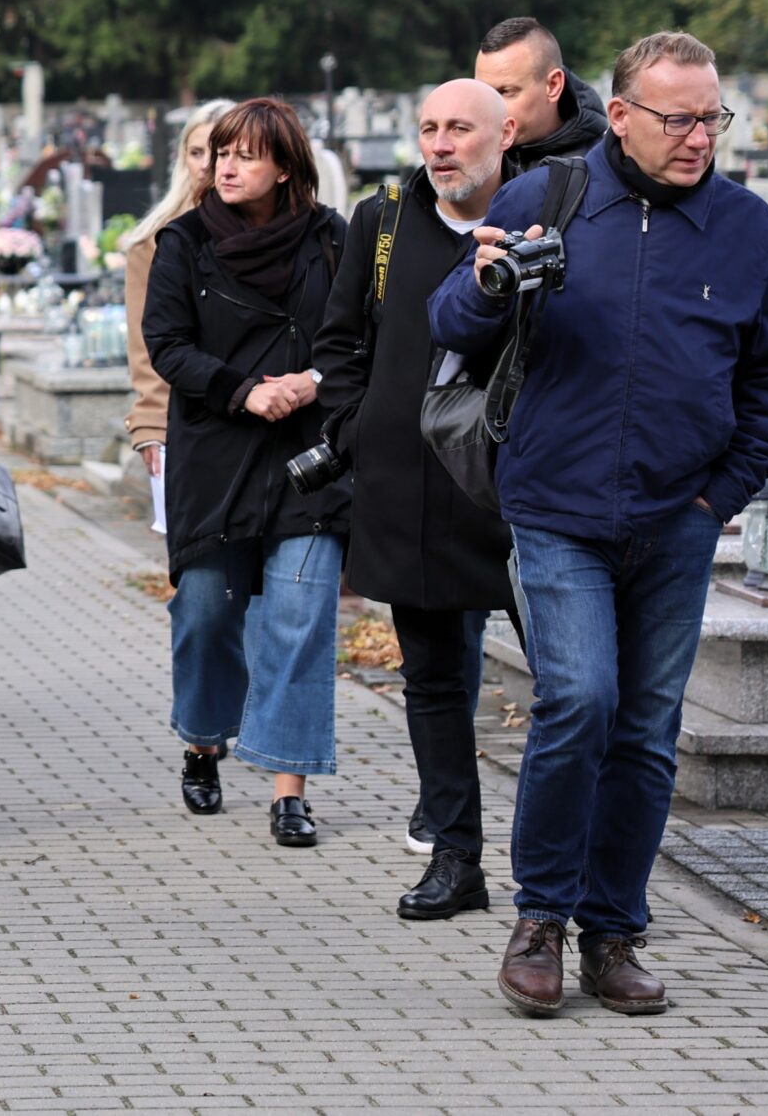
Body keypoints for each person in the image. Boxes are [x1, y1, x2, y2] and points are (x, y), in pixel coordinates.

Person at [432, 31, 768, 1017]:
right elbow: (451, 325)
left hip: (677, 517)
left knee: (645, 729)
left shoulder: (747, 227)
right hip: (556, 506)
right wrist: (480, 281)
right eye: (678, 118)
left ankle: (611, 931)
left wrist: (720, 493)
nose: (699, 137)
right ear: (625, 115)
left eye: (711, 118)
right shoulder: (544, 195)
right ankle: (539, 917)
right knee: (581, 699)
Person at [312, 80, 521, 919]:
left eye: (460, 128)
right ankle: (456, 856)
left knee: (572, 687)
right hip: (412, 485)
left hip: (522, 491)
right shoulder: (385, 221)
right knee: (432, 680)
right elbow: (339, 339)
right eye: (429, 127)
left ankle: (576, 867)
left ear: (505, 135)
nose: (441, 144)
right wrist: (357, 428)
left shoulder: (548, 218)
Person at [142, 97, 349, 847]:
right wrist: (244, 390)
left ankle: (289, 788)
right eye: (220, 152)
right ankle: (203, 741)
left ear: (286, 167)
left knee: (300, 616)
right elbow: (166, 342)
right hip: (216, 456)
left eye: (245, 155)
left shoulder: (332, 238)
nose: (224, 166)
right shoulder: (184, 240)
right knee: (205, 612)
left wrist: (312, 381)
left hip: (309, 458)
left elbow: (361, 335)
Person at [121, 100, 234, 534]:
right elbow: (145, 344)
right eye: (196, 152)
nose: (206, 165)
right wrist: (150, 423)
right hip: (182, 422)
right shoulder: (153, 241)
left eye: (218, 151)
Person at [477, 16, 606, 175]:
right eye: (483, 92)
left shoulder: (603, 171)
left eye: (507, 91)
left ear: (553, 86)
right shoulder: (466, 161)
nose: (489, 108)